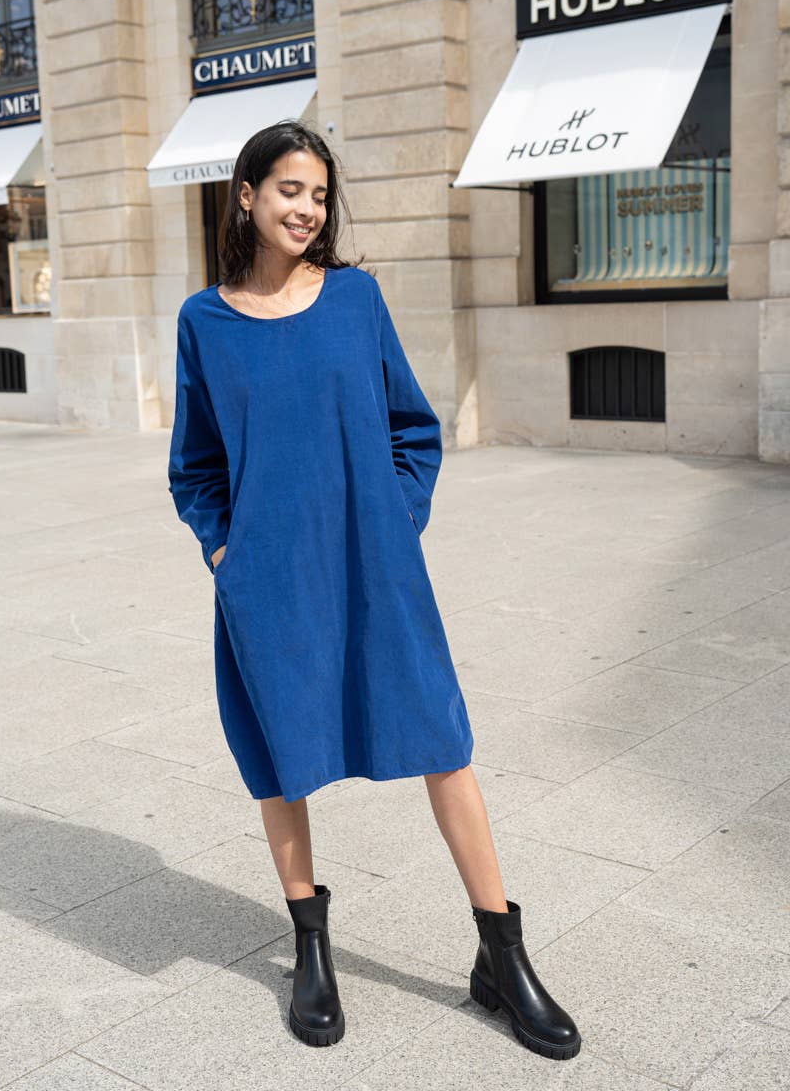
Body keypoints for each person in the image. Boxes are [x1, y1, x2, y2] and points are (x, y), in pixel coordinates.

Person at [167, 119, 581, 1060]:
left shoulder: (355, 299)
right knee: (282, 756)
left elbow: (413, 429)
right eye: (290, 190)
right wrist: (227, 552)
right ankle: (311, 948)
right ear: (246, 195)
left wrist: (394, 523)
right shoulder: (205, 322)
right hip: (270, 583)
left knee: (443, 740)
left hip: (375, 569)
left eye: (320, 195)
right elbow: (195, 466)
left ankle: (502, 953)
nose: (308, 209)